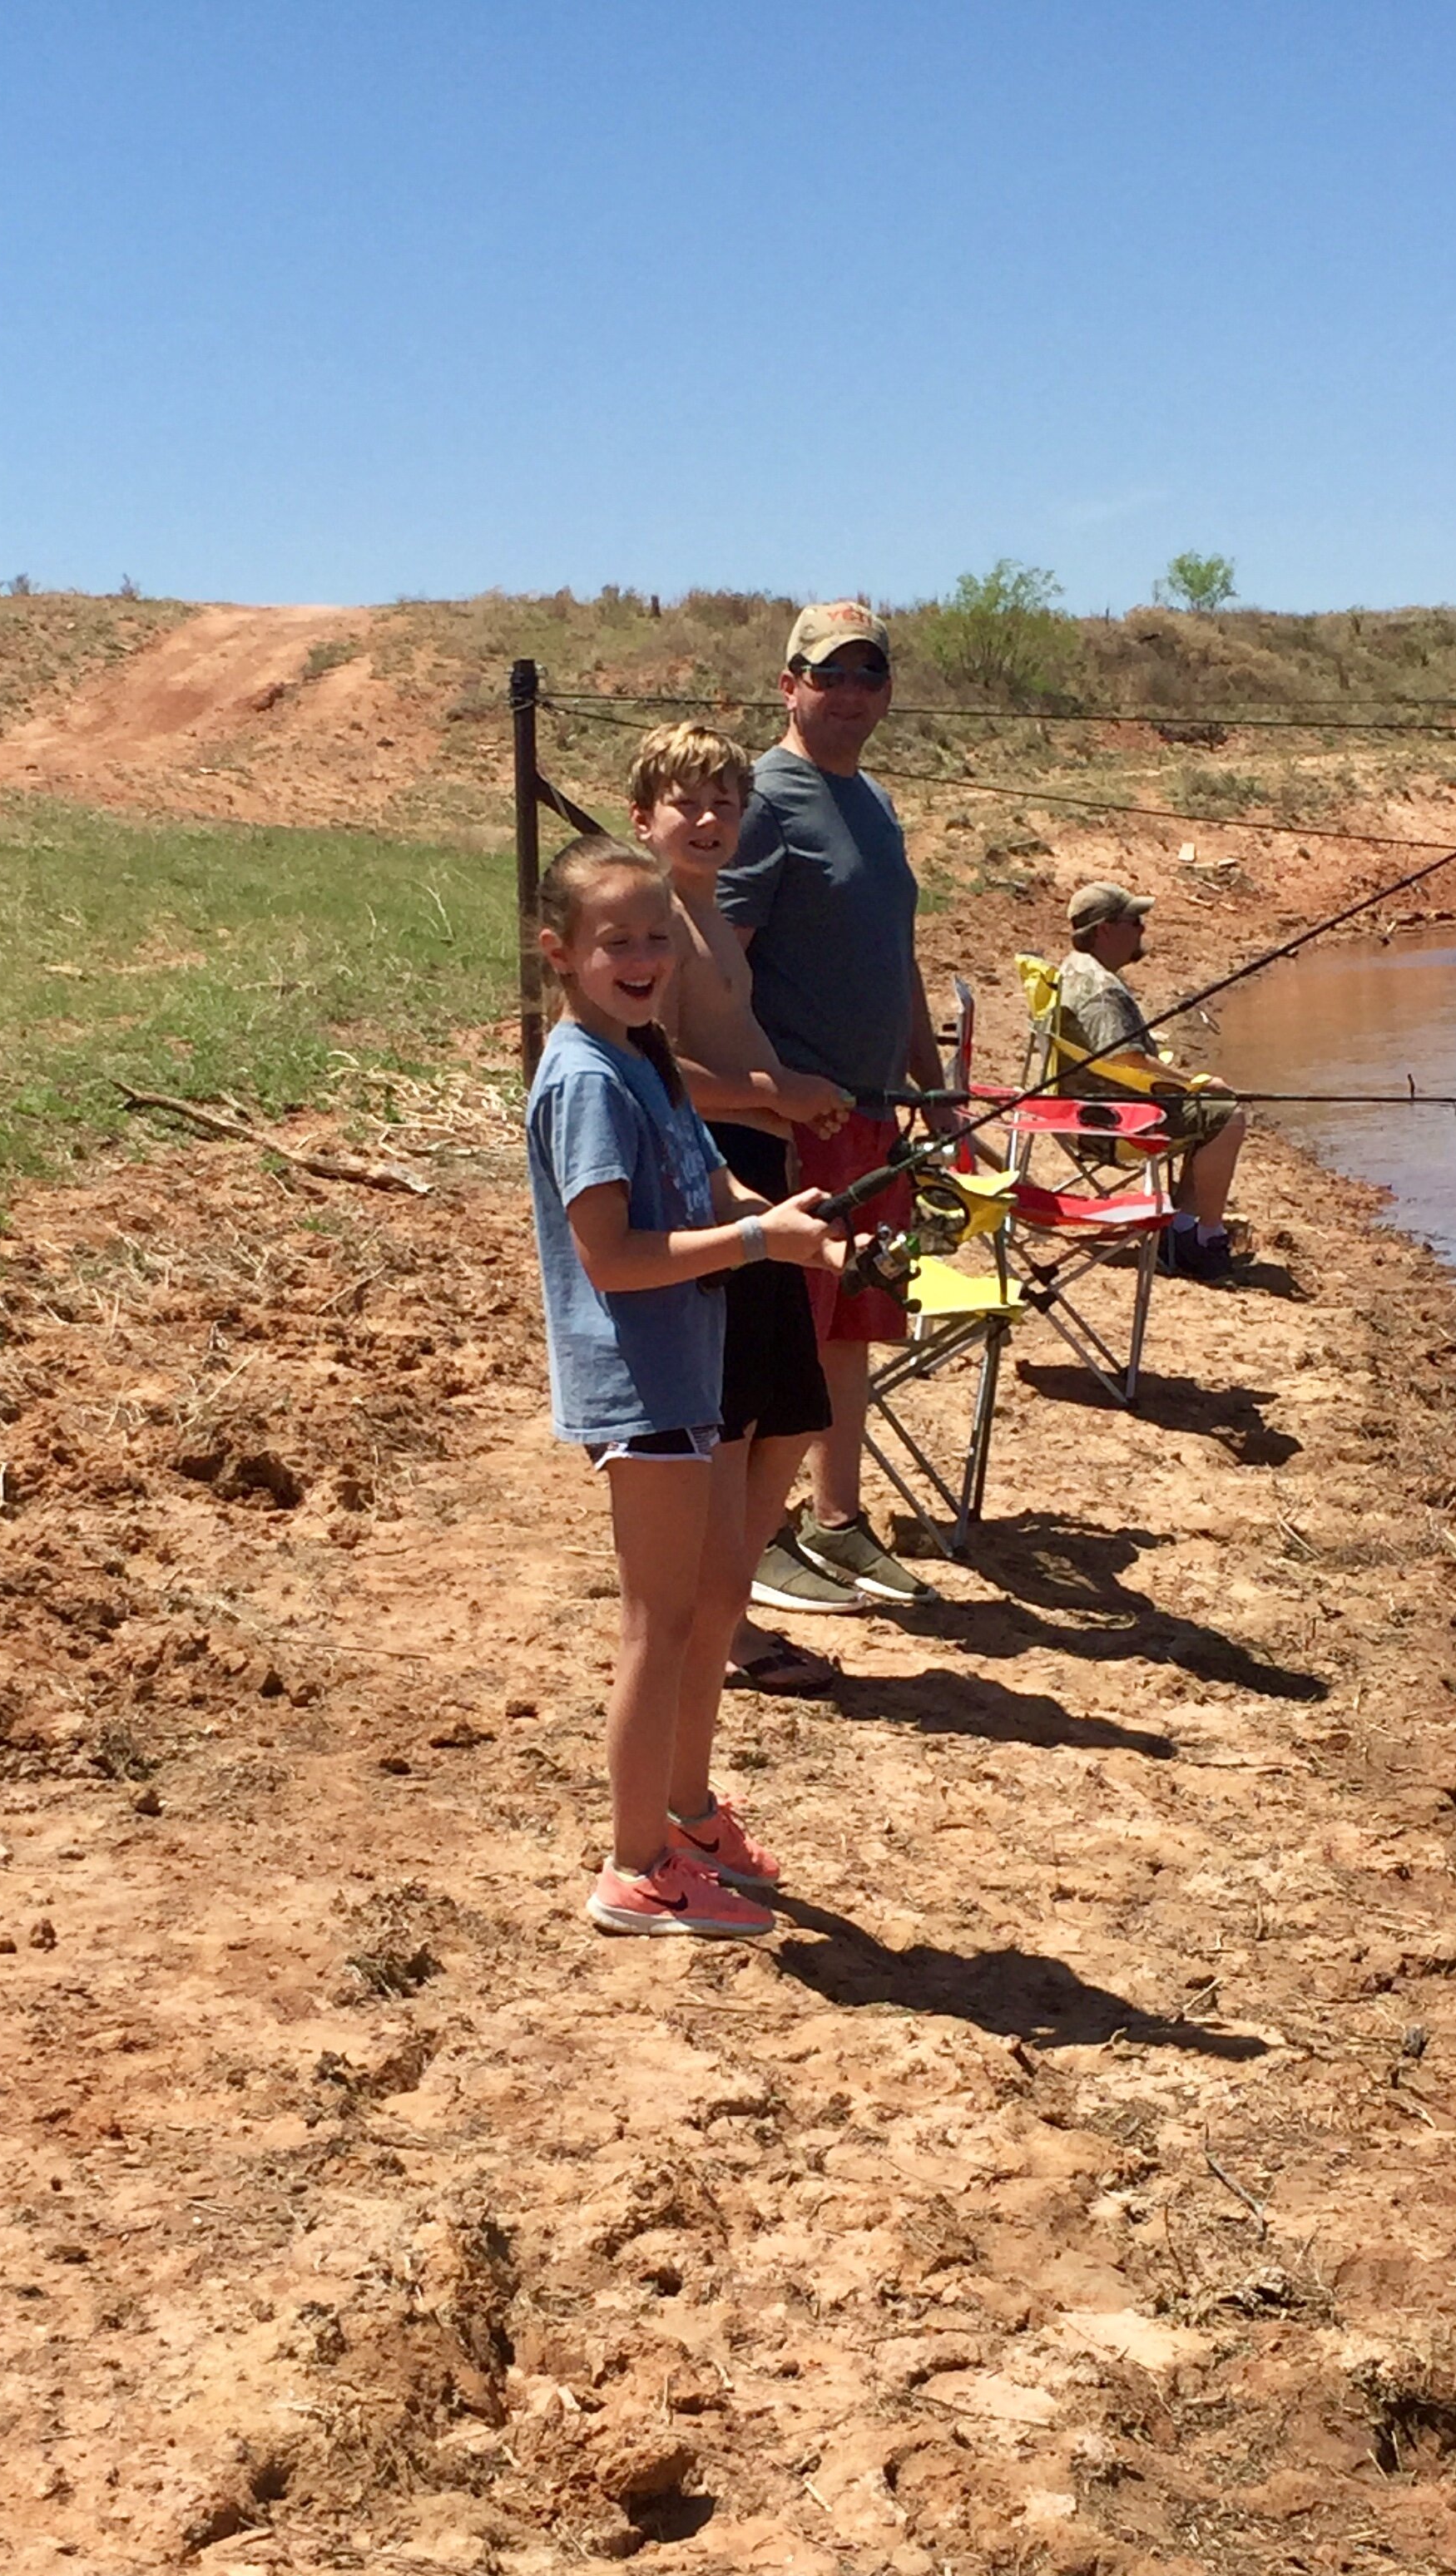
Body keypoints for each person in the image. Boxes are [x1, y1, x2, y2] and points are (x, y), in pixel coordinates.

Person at [524, 835, 846, 1937]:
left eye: (658, 935)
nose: (645, 955)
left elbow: (704, 1177)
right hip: (641, 1383)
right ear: (558, 951)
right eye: (617, 940)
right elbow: (613, 1257)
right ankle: (634, 1869)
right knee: (658, 1626)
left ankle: (685, 1817)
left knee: (704, 1605)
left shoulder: (646, 1054)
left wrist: (789, 1228)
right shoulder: (582, 1079)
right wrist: (755, 1240)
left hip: (691, 1372)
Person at [715, 602, 950, 1608]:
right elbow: (720, 969)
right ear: (789, 685)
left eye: (869, 675)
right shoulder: (766, 800)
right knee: (786, 1330)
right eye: (829, 675)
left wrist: (929, 1092)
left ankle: (837, 1521)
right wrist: (766, 1092)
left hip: (871, 1114)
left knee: (855, 1318)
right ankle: (755, 1536)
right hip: (791, 1120)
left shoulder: (877, 803)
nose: (850, 693)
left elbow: (897, 961)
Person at [626, 720, 864, 1699]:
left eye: (727, 801)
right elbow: (656, 1070)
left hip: (762, 1158)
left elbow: (732, 1037)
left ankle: (734, 1611)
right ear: (643, 818)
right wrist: (776, 1093)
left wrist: (798, 1093)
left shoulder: (711, 906)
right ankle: (721, 1634)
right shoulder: (652, 925)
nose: (710, 818)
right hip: (712, 1177)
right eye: (687, 802)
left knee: (788, 1410)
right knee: (730, 1419)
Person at [1056, 879, 1247, 1281]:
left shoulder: (1073, 970)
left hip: (1086, 1111)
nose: (1143, 929)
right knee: (1227, 1116)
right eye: (1135, 921)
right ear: (1105, 930)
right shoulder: (1103, 991)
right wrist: (1193, 1084)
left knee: (1209, 1111)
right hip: (1112, 1125)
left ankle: (1180, 1228)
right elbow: (1127, 1058)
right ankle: (1204, 1238)